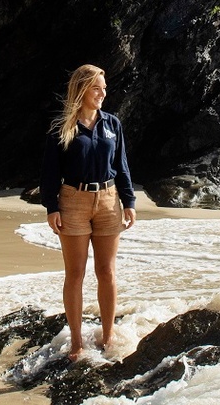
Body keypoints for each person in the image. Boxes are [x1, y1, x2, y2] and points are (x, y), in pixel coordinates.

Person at [40, 64, 136, 361]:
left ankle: (108, 336)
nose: (102, 94)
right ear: (82, 90)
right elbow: (49, 172)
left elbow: (121, 165)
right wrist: (51, 207)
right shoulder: (63, 128)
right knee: (76, 274)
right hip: (73, 201)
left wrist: (129, 202)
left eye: (104, 88)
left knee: (106, 272)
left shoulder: (112, 124)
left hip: (109, 200)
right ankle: (77, 343)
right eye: (97, 88)